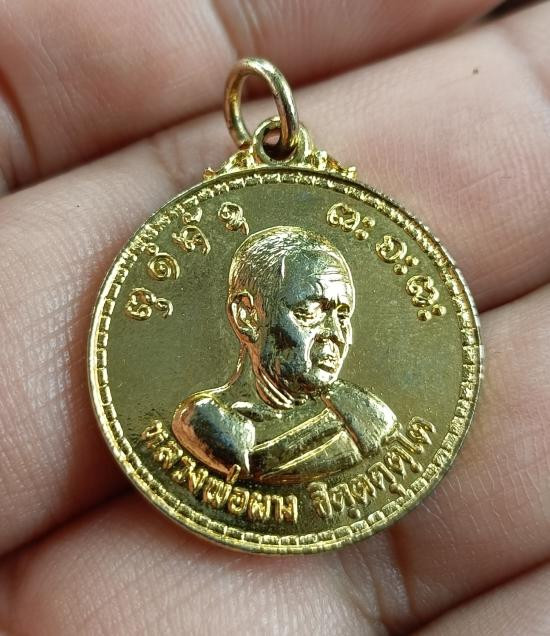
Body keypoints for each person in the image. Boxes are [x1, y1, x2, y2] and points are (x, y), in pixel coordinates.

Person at [172, 226, 396, 483]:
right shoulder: (207, 422)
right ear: (247, 317)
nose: (337, 334)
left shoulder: (366, 416)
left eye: (343, 316)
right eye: (309, 312)